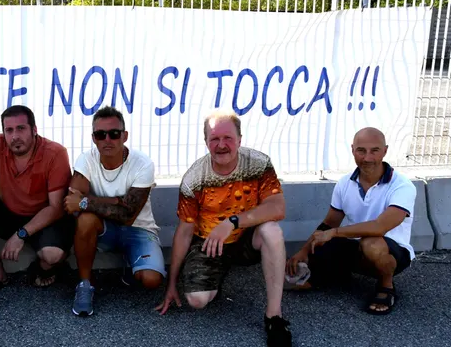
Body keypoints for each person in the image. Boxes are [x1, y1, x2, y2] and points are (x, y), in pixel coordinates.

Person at [156, 110, 293, 347]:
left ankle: (274, 316)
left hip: (246, 239)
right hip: (208, 244)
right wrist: (171, 284)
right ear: (206, 142)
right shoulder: (193, 179)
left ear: (240, 139)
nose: (221, 145)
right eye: (214, 139)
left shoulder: (259, 164)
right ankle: (215, 279)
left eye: (228, 138)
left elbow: (277, 207)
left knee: (272, 230)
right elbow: (184, 231)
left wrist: (231, 223)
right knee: (197, 301)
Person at [286, 127, 416, 315]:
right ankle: (332, 275)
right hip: (356, 247)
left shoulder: (402, 186)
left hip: (392, 252)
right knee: (320, 243)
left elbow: (380, 227)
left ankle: (386, 286)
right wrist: (303, 251)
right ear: (353, 150)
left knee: (371, 242)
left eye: (375, 150)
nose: (367, 157)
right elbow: (330, 223)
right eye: (361, 150)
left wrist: (335, 233)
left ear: (385, 151)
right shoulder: (345, 183)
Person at [0, 105, 74, 298]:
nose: (14, 136)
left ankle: (47, 266)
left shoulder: (55, 153)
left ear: (34, 130)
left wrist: (21, 235)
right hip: (10, 212)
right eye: (9, 130)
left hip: (44, 218)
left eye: (21, 129)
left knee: (51, 256)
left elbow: (56, 208)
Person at [65, 106, 164, 317]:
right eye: (100, 134)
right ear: (94, 138)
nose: (107, 139)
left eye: (114, 133)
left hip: (139, 229)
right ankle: (84, 285)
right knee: (85, 220)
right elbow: (71, 204)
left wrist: (85, 202)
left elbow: (128, 216)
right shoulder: (86, 159)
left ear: (124, 136)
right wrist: (117, 201)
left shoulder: (142, 164)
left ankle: (132, 262)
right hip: (105, 228)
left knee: (151, 280)